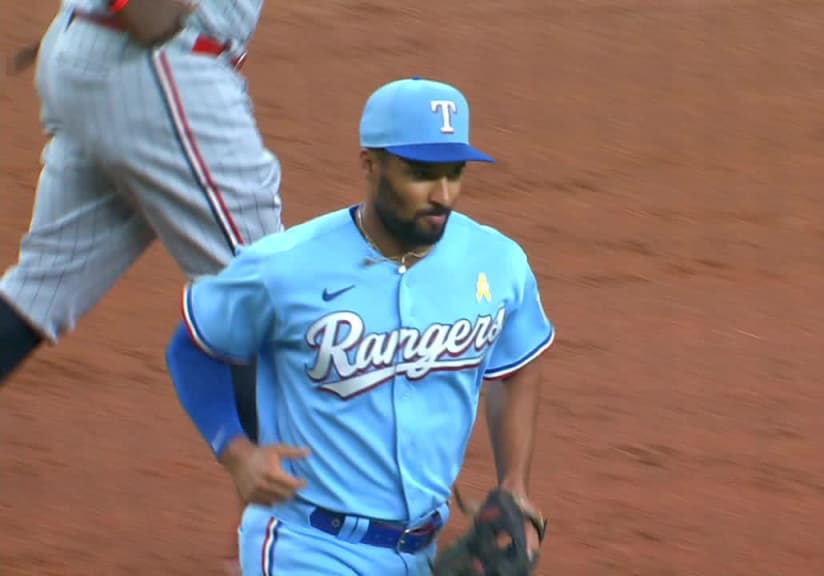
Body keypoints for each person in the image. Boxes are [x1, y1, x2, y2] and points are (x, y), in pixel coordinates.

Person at [164, 76, 555, 575]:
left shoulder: (497, 263)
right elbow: (194, 346)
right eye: (421, 173)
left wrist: (514, 483)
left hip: (422, 552)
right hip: (306, 547)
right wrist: (235, 451)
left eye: (454, 173)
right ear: (370, 166)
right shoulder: (284, 267)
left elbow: (517, 365)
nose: (442, 194)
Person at [0, 1, 281, 572]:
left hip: (96, 54)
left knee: (35, 293)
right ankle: (285, 546)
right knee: (271, 291)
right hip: (161, 64)